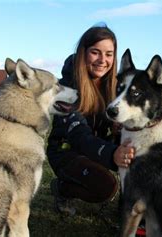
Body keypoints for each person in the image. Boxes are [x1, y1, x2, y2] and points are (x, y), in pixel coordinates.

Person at [46, 23, 135, 216]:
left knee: (136, 147)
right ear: (83, 53)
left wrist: (120, 127)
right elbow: (79, 136)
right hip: (66, 152)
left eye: (109, 54)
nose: (103, 60)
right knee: (106, 187)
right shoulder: (66, 90)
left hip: (96, 147)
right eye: (96, 52)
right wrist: (112, 155)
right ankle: (62, 189)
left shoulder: (115, 86)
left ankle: (128, 208)